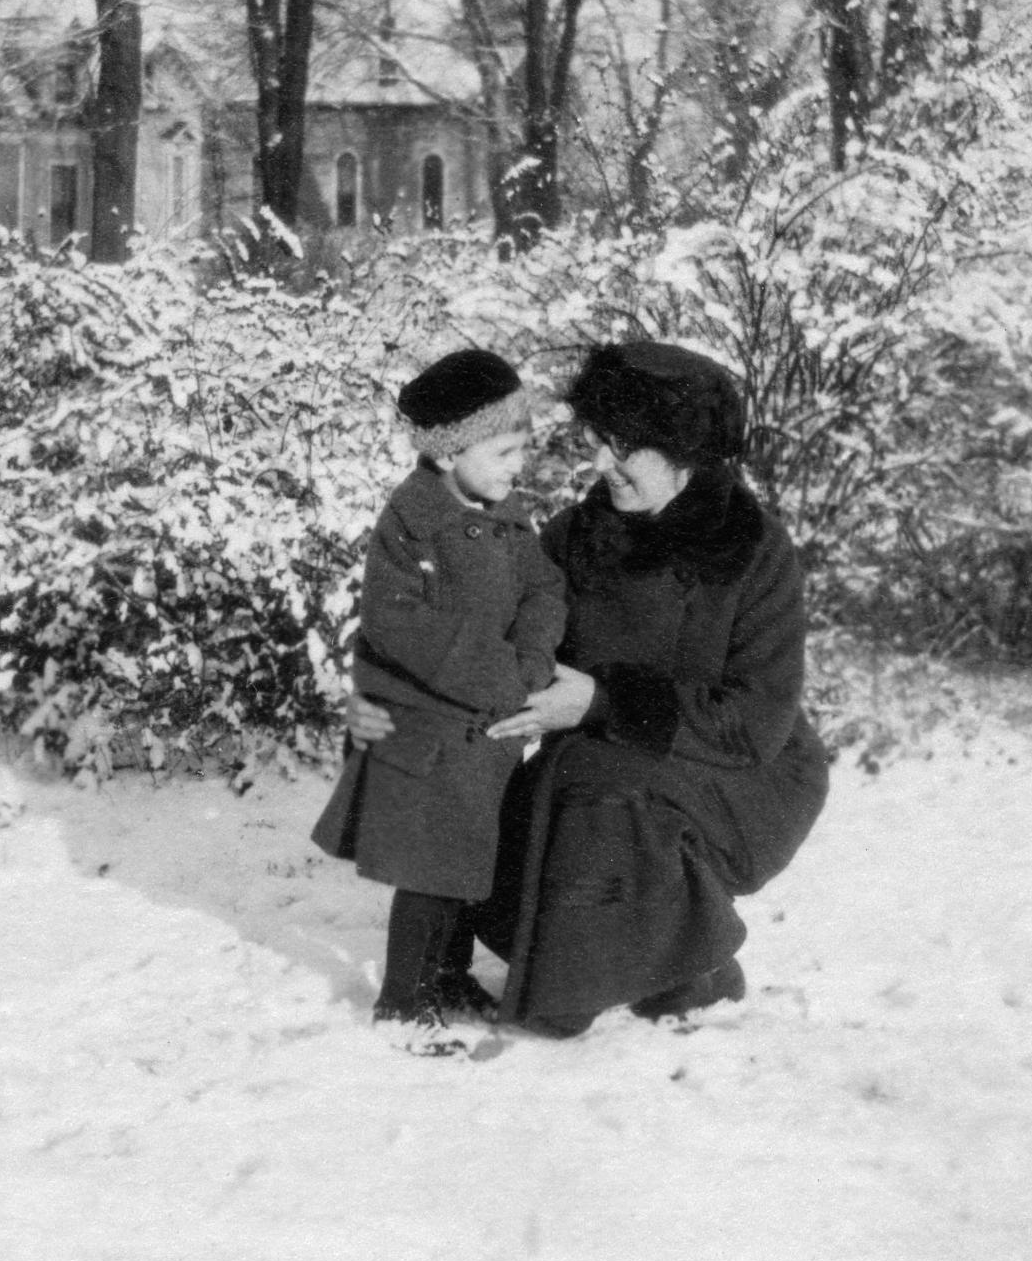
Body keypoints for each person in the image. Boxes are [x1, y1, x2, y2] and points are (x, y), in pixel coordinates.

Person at [345, 339, 830, 1038]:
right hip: (599, 764)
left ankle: (642, 977)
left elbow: (755, 723)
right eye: (597, 443)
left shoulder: (751, 551)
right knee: (520, 811)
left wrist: (603, 701)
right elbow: (514, 634)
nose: (601, 464)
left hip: (746, 775)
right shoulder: (580, 534)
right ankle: (674, 968)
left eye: (623, 449)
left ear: (682, 451)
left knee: (603, 793)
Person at [311, 347, 569, 1032]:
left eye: (522, 449)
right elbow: (401, 623)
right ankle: (402, 1000)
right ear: (453, 451)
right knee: (430, 872)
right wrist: (503, 675)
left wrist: (535, 657)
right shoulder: (412, 523)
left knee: (463, 864)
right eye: (506, 450)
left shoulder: (507, 514)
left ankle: (448, 979)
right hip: (427, 731)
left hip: (483, 733)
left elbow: (543, 588)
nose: (519, 466)